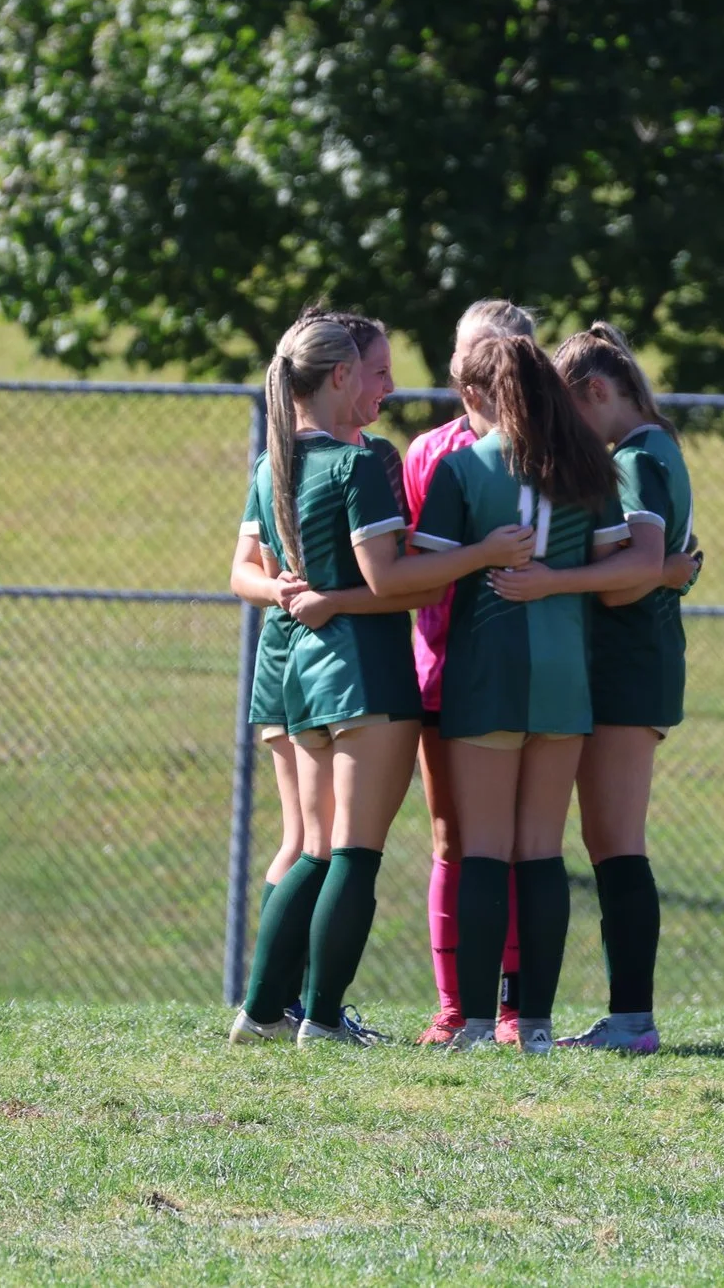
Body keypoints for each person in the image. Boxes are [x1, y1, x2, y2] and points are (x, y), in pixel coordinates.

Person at [226, 312, 531, 1047]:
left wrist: (311, 597)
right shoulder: (363, 463)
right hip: (366, 673)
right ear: (340, 376)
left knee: (312, 847)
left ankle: (264, 1010)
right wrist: (481, 551)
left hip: (302, 673)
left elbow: (270, 576)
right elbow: (390, 576)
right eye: (378, 372)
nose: (390, 386)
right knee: (352, 852)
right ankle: (316, 1016)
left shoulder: (275, 464)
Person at [405, 331, 669, 1052]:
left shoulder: (463, 469)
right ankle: (540, 1025)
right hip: (564, 677)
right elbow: (624, 573)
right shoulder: (587, 470)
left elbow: (425, 578)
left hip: (486, 670)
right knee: (541, 850)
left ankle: (479, 1023)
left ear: (484, 393)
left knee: (484, 847)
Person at [491, 322, 694, 1054]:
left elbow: (636, 568)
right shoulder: (653, 447)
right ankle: (628, 1016)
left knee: (615, 844)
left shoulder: (637, 456)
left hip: (628, 666)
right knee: (608, 840)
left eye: (567, 408)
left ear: (598, 393)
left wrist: (554, 579)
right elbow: (661, 563)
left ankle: (633, 1018)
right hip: (633, 664)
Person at [404, 299, 532, 1047]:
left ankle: (517, 1007)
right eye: (469, 359)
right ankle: (456, 1006)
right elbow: (414, 570)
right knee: (455, 839)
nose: (478, 374)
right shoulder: (432, 454)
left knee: (527, 844)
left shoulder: (556, 449)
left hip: (536, 682)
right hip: (447, 672)